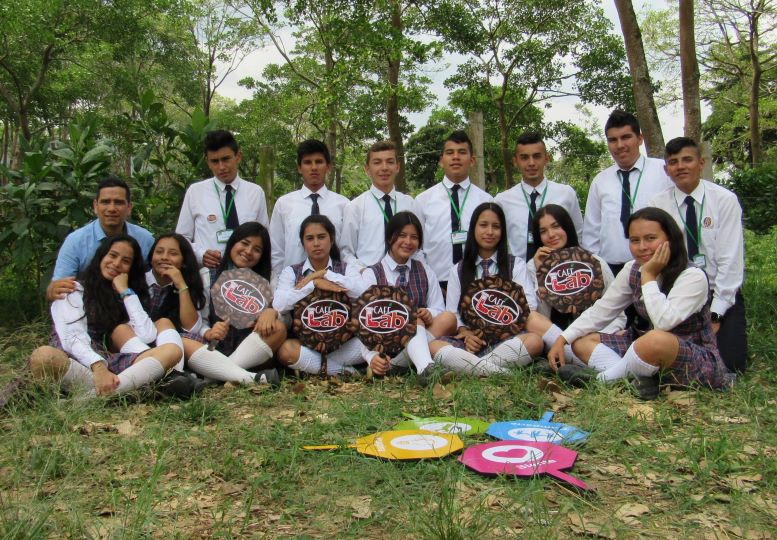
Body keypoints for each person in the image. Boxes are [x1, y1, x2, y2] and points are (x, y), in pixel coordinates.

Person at [547, 207, 734, 398]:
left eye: (650, 238)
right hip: (642, 347)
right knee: (582, 342)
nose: (642, 247)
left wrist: (649, 276)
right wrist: (563, 339)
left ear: (670, 239)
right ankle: (638, 379)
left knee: (655, 339)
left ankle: (602, 380)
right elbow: (603, 310)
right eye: (635, 240)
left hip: (690, 356)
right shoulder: (632, 269)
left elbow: (664, 323)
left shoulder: (692, 276)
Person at [29, 236, 184, 396]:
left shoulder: (126, 294)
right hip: (73, 361)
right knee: (43, 356)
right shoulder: (74, 289)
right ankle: (125, 391)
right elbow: (73, 338)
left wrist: (126, 292)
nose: (116, 264)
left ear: (131, 268)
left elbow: (147, 335)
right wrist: (98, 367)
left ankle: (94, 397)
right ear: (101, 256)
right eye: (112, 255)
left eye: (125, 261)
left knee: (171, 351)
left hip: (110, 364)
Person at [649, 137, 747, 372]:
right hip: (679, 293)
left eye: (687, 160)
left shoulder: (724, 200)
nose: (680, 166)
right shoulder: (658, 205)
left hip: (718, 292)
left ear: (701, 163)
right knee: (668, 359)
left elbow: (730, 260)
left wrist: (716, 314)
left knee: (730, 364)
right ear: (666, 170)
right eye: (673, 162)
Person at [429, 202, 543, 375]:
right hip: (471, 340)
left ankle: (469, 367)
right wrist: (466, 333)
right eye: (483, 225)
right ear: (473, 228)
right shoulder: (458, 270)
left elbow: (530, 305)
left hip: (508, 338)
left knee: (535, 341)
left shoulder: (516, 265)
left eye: (496, 226)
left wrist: (503, 330)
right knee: (433, 346)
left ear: (502, 231)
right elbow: (454, 314)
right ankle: (501, 372)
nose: (489, 232)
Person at [360, 211, 457, 386]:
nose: (408, 242)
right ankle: (426, 367)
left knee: (448, 318)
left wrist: (429, 312)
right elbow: (361, 323)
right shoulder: (371, 274)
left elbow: (438, 308)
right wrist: (370, 356)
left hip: (417, 335)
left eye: (414, 237)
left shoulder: (424, 270)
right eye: (402, 235)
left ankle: (400, 366)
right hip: (385, 342)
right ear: (390, 238)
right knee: (414, 320)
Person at [183, 222, 284, 385]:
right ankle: (241, 376)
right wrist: (208, 332)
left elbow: (283, 314)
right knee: (184, 341)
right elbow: (197, 322)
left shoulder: (269, 278)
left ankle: (214, 377)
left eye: (257, 250)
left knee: (279, 328)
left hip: (250, 350)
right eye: (244, 243)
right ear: (232, 242)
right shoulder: (208, 275)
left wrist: (272, 312)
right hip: (214, 346)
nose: (248, 252)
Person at [582, 110, 673, 277]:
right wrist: (598, 270)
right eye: (613, 140)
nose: (620, 145)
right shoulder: (600, 181)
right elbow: (591, 232)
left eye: (626, 137)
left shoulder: (663, 172)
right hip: (612, 271)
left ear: (639, 138)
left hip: (659, 268)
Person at [273, 215, 367, 375]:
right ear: (303, 243)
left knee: (371, 339)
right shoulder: (291, 272)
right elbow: (279, 304)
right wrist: (312, 285)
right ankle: (348, 372)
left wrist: (324, 274)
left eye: (321, 237)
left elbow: (362, 292)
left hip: (345, 344)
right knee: (285, 351)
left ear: (331, 239)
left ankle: (314, 368)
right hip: (306, 345)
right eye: (310, 238)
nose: (316, 243)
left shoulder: (347, 269)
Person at [47, 176, 155, 301]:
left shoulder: (145, 240)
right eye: (105, 202)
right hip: (86, 309)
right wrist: (53, 290)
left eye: (119, 202)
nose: (112, 209)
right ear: (95, 206)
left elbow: (157, 283)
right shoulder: (75, 242)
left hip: (132, 308)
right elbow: (58, 289)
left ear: (129, 207)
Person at [176, 130, 269, 271]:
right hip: (208, 275)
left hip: (246, 277)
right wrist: (201, 255)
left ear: (238, 156)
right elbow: (181, 238)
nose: (221, 167)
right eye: (215, 161)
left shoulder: (255, 193)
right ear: (207, 162)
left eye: (226, 159)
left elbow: (264, 238)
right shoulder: (195, 192)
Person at [414, 131, 493, 291]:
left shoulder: (486, 201)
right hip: (436, 283)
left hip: (478, 281)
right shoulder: (423, 201)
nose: (456, 157)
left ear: (472, 161)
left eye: (462, 152)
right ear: (441, 161)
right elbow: (417, 247)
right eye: (450, 153)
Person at [527, 204, 625, 333]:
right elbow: (538, 316)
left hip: (595, 334)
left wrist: (598, 336)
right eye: (543, 231)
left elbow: (618, 313)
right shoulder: (532, 266)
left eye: (556, 226)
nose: (551, 234)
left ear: (567, 226)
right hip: (555, 336)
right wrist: (542, 273)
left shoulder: (594, 262)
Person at [495, 132, 583, 260]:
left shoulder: (566, 194)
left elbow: (578, 234)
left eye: (537, 156)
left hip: (560, 272)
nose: (531, 163)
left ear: (546, 159)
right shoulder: (502, 201)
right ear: (515, 161)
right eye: (524, 157)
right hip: (519, 275)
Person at [270, 140, 349, 278]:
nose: (313, 167)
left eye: (319, 162)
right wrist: (279, 283)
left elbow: (347, 249)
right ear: (299, 168)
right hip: (294, 283)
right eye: (307, 162)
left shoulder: (344, 205)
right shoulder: (284, 204)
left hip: (336, 283)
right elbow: (277, 251)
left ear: (328, 166)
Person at [340, 140, 418, 270]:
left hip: (406, 276)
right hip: (369, 280)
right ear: (367, 169)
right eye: (377, 162)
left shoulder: (410, 203)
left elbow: (419, 247)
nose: (384, 168)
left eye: (390, 162)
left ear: (397, 167)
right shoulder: (355, 207)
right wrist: (365, 273)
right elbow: (346, 253)